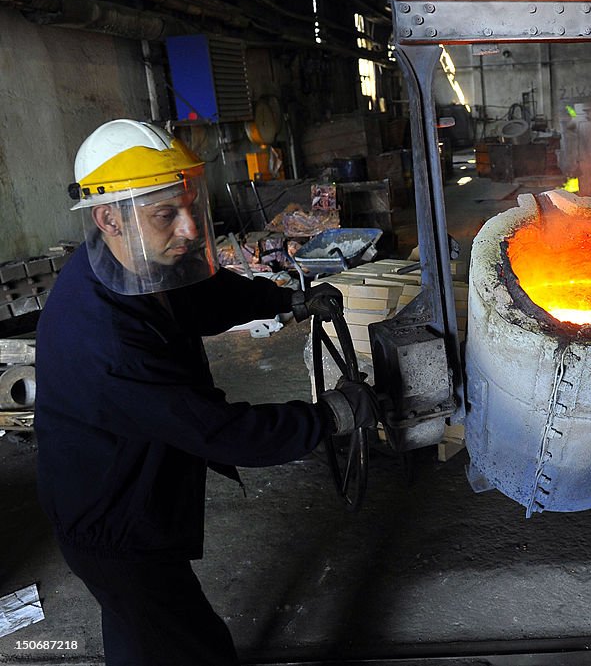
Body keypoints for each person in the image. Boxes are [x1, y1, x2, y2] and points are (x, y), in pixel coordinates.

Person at [34, 119, 375, 666]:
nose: (191, 229)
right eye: (166, 214)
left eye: (190, 205)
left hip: (130, 490)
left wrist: (283, 303)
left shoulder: (127, 265)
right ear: (108, 217)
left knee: (139, 636)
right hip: (114, 521)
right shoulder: (106, 339)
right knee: (190, 648)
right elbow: (219, 432)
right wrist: (330, 416)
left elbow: (201, 295)